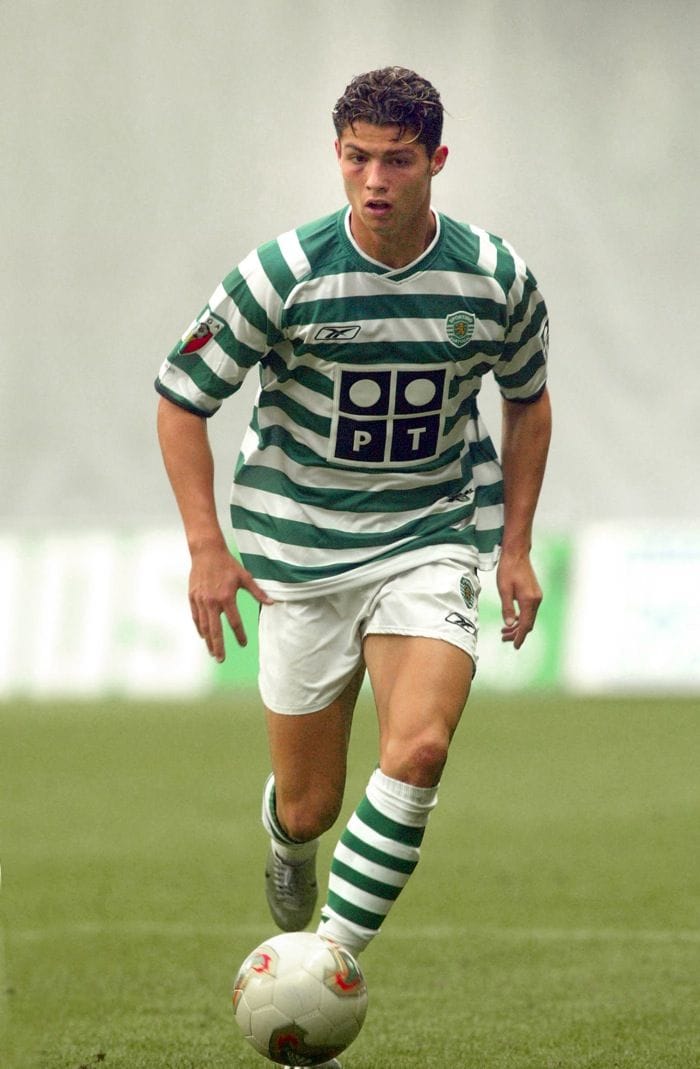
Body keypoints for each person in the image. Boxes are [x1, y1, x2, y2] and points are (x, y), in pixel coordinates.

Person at [156, 66, 551, 1068]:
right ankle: (288, 847)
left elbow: (528, 395)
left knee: (416, 747)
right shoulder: (281, 273)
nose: (373, 179)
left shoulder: (494, 277)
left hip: (428, 539)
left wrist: (511, 545)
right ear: (338, 155)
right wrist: (208, 545)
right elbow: (180, 394)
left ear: (436, 164)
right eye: (356, 157)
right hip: (301, 560)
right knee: (311, 804)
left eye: (396, 159)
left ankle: (326, 956)